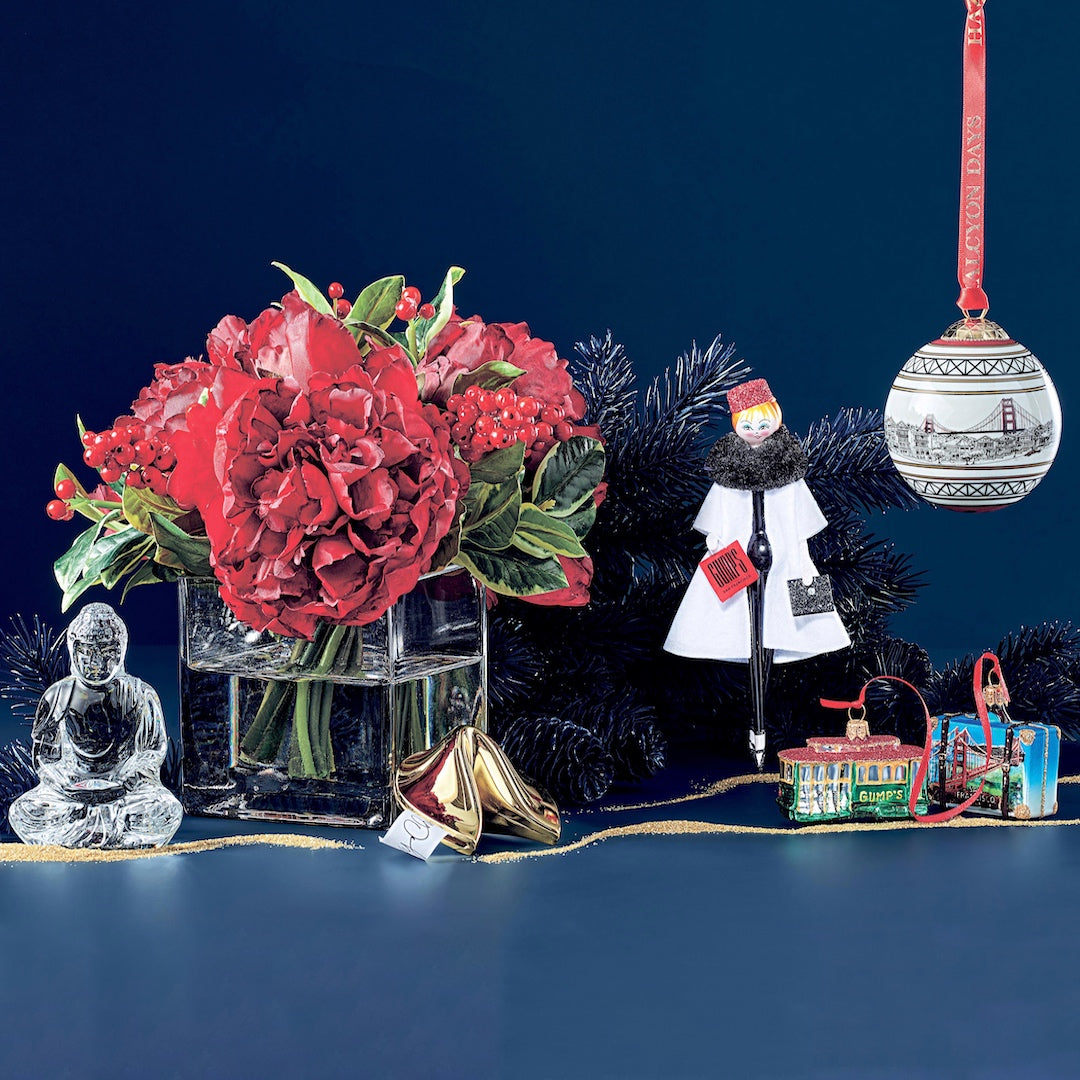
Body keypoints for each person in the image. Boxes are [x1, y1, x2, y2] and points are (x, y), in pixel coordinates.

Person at [664, 378, 849, 766]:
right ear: (736, 426)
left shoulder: (790, 476)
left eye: (763, 424)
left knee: (779, 626)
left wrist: (801, 558)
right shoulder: (727, 477)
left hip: (785, 560)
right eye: (747, 425)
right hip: (736, 561)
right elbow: (715, 524)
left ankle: (760, 730)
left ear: (776, 420)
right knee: (740, 627)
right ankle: (756, 728)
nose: (756, 431)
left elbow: (802, 527)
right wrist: (716, 546)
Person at [8, 603, 182, 849]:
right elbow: (44, 757)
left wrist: (127, 780)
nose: (96, 662)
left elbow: (153, 751)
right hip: (70, 794)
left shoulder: (141, 694)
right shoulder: (58, 695)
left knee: (166, 808)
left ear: (121, 651)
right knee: (24, 811)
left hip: (124, 792)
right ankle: (107, 830)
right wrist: (65, 782)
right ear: (73, 650)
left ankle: (88, 830)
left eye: (107, 652)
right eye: (87, 651)